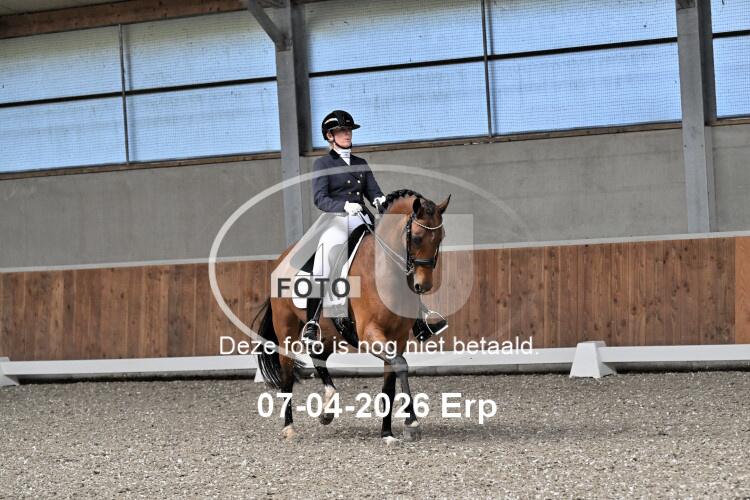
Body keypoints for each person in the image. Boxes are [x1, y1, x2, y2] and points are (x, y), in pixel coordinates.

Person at [300, 110, 448, 350]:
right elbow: (320, 199)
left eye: (349, 130)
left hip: (363, 219)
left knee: (400, 255)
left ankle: (419, 318)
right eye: (342, 131)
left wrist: (379, 200)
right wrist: (343, 206)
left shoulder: (361, 163)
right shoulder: (323, 164)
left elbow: (373, 191)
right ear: (330, 136)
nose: (347, 134)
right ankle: (312, 322)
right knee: (324, 259)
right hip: (337, 220)